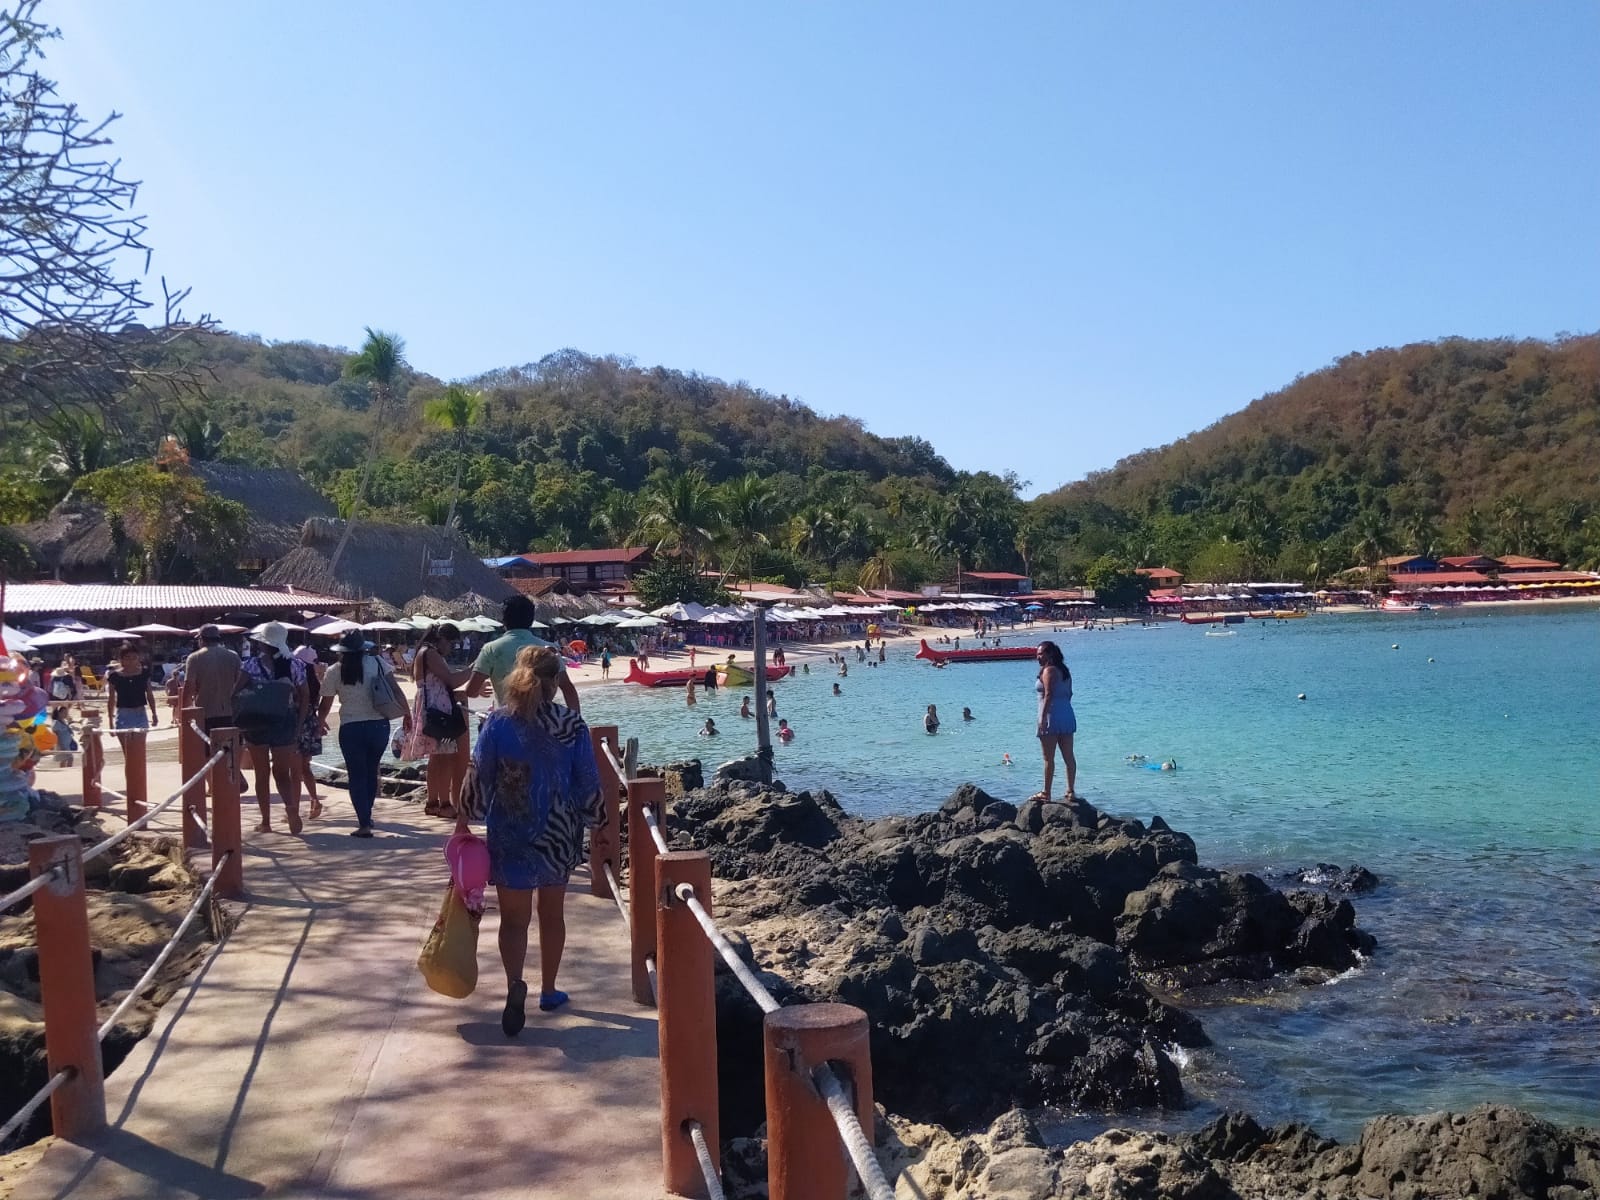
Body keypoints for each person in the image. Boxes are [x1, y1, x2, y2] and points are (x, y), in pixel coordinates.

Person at [455, 646, 602, 1035]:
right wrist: (598, 820)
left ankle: (513, 984)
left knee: (514, 920)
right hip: (558, 832)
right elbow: (587, 782)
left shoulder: (498, 723)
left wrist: (463, 819)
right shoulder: (572, 725)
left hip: (510, 830)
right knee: (552, 916)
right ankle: (549, 990)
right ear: (556, 683)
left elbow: (478, 774)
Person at [317, 629, 406, 837]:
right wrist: (407, 714)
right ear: (362, 648)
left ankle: (364, 821)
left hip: (351, 728)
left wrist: (319, 723)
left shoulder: (334, 671)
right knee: (371, 771)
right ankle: (367, 815)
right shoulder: (376, 663)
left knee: (356, 775)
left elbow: (326, 704)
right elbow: (396, 690)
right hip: (378, 727)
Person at [238, 622, 309, 833]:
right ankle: (290, 808)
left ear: (263, 643)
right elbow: (305, 697)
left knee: (262, 774)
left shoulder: (250, 666)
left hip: (257, 722)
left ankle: (266, 821)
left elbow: (236, 692)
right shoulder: (295, 665)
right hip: (285, 721)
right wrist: (299, 724)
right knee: (282, 773)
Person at [403, 623, 473, 819]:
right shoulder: (431, 653)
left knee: (436, 758)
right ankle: (444, 804)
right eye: (451, 644)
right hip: (438, 710)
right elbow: (451, 680)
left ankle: (433, 802)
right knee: (446, 757)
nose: (451, 649)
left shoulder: (423, 652)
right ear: (442, 639)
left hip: (429, 707)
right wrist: (474, 668)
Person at [467, 596, 580, 712]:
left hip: (506, 721)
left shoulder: (491, 649)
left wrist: (478, 690)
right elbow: (568, 689)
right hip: (542, 722)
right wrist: (576, 723)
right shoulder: (548, 649)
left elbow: (471, 691)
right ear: (531, 620)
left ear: (503, 620)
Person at [183, 625, 247, 793]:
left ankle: (213, 787)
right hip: (231, 710)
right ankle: (232, 779)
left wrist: (185, 713)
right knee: (232, 749)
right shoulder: (233, 657)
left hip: (206, 711)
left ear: (201, 639)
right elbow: (241, 684)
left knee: (206, 753)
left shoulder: (194, 658)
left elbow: (189, 688)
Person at [1033, 640, 1077, 803]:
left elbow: (1049, 694)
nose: (1037, 657)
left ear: (1050, 654)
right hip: (1066, 715)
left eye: (1041, 653)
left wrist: (1043, 718)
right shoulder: (1064, 671)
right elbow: (1070, 693)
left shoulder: (1049, 670)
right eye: (1037, 653)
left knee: (1048, 758)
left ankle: (1046, 792)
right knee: (1068, 756)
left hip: (1051, 717)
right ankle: (1070, 791)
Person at [294, 644, 325, 821]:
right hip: (311, 724)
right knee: (305, 767)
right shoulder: (315, 682)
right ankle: (314, 800)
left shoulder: (298, 681)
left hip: (299, 724)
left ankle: (294, 809)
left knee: (295, 769)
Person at [107, 642, 158, 733]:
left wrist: (154, 713)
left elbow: (150, 695)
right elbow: (111, 699)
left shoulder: (144, 674)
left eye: (134, 658)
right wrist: (110, 721)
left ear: (138, 659)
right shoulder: (114, 676)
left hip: (140, 713)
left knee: (140, 746)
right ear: (121, 659)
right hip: (123, 714)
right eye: (127, 658)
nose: (131, 661)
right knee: (127, 746)